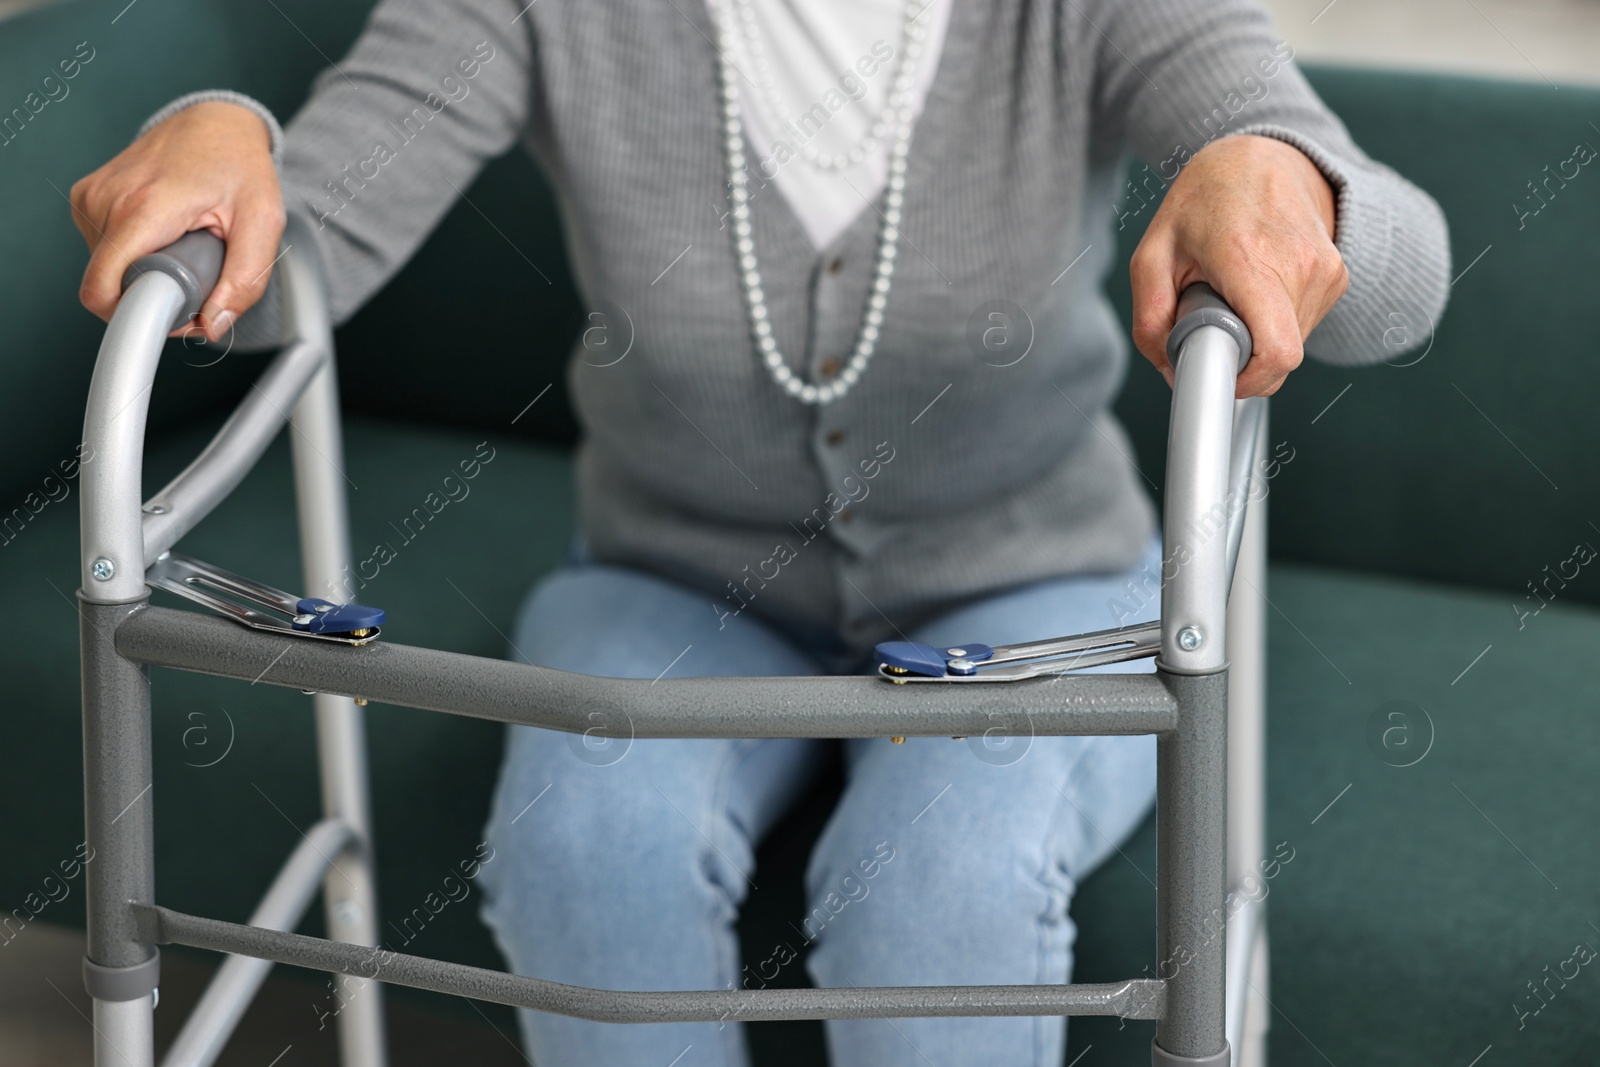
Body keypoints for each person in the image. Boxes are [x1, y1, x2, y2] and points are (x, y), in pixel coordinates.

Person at [70, 0, 1449, 1063]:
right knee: (582, 852)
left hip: (1032, 577)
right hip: (670, 574)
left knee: (935, 895)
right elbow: (282, 266)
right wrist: (222, 138)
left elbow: (1401, 281)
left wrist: (1288, 181)